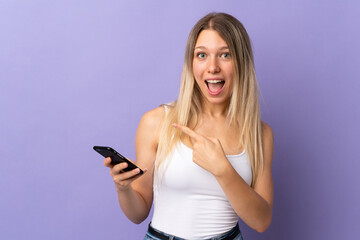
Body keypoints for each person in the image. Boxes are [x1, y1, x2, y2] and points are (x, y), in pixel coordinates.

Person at [104, 12, 274, 240]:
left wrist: (223, 170)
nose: (212, 67)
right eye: (202, 55)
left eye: (225, 55)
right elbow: (138, 213)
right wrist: (123, 188)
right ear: (191, 63)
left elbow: (261, 221)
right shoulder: (157, 122)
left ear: (241, 62)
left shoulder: (259, 134)